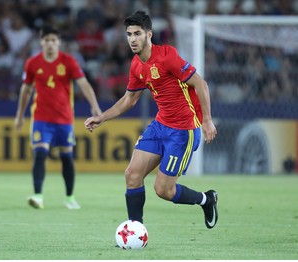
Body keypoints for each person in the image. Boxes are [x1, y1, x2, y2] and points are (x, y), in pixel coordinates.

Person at [84, 11, 218, 229]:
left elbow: (200, 84)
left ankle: (206, 199)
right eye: (129, 34)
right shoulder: (136, 65)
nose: (132, 39)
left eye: (137, 33)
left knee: (163, 190)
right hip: (159, 127)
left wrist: (207, 120)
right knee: (132, 175)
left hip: (182, 131)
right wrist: (102, 118)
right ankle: (135, 230)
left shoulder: (167, 56)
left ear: (149, 34)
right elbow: (129, 100)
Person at [15, 25, 101, 210]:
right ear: (41, 42)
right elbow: (26, 90)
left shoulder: (68, 61)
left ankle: (70, 197)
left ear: (59, 42)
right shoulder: (32, 63)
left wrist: (94, 105)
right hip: (41, 118)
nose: (50, 44)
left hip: (64, 118)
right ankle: (38, 196)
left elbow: (84, 84)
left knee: (66, 157)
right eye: (46, 41)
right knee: (40, 153)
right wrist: (20, 115)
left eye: (53, 40)